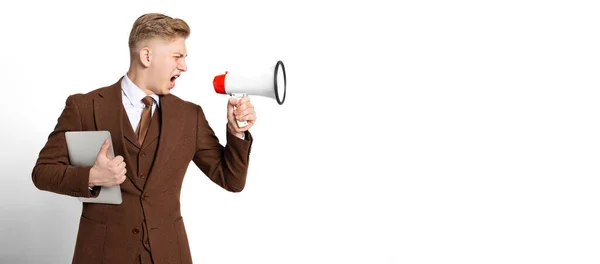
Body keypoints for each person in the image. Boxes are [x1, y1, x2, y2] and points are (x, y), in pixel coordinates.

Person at [31, 13, 255, 264]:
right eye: (177, 56)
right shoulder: (84, 107)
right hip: (102, 255)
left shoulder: (189, 115)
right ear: (147, 56)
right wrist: (93, 177)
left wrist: (237, 132)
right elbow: (42, 172)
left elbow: (231, 179)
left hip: (169, 255)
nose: (184, 67)